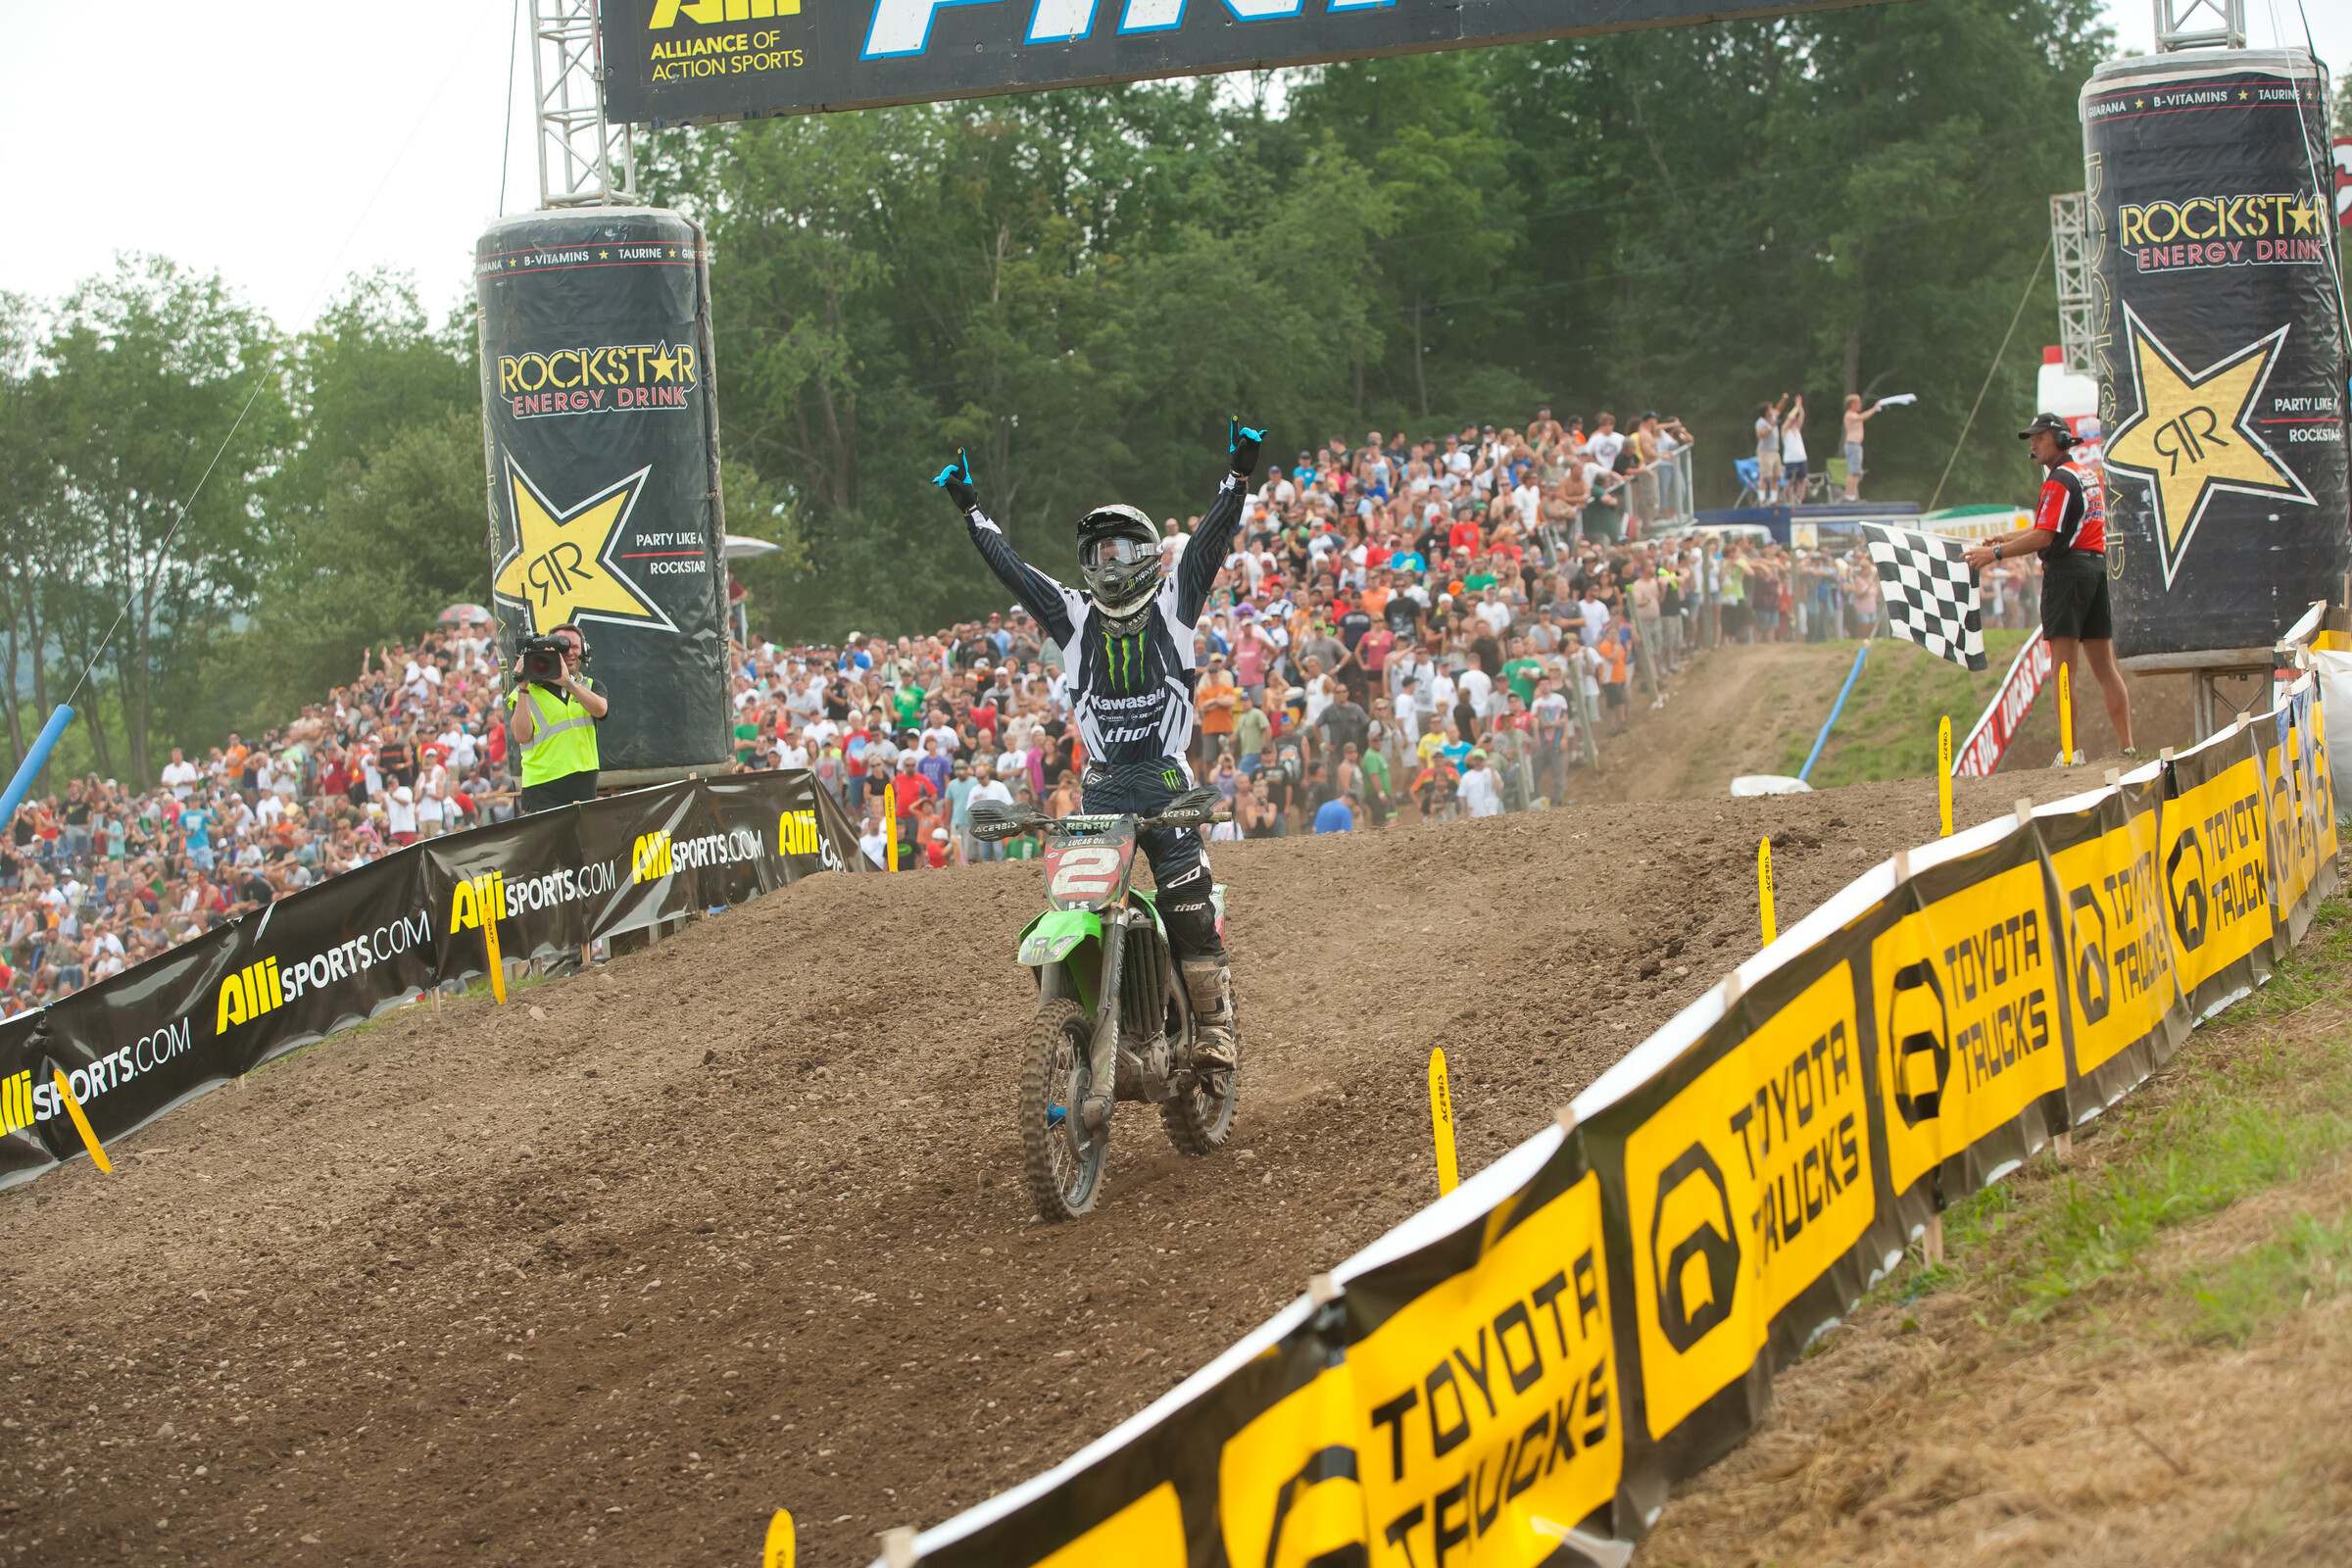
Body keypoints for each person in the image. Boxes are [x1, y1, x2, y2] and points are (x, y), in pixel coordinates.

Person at [935, 417, 1266, 1083]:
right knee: (1078, 904)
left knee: (1188, 902)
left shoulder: (1176, 603)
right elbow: (1015, 573)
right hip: (1104, 787)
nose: (1108, 563)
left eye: (1119, 550)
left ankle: (1218, 1026)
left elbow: (1209, 543)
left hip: (1167, 781)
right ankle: (1093, 1023)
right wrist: (973, 513)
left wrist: (1237, 479)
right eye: (1099, 554)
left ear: (1144, 552)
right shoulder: (1073, 613)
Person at [1965, 414, 2134, 760]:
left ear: (2058, 439)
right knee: (2105, 668)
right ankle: (2127, 746)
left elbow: (2045, 536)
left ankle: (2070, 753)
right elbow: (2051, 527)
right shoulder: (2086, 475)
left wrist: (1995, 552)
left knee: (2062, 668)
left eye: (2039, 437)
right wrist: (2007, 537)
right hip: (2097, 570)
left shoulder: (2057, 481)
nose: (2033, 443)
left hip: (2067, 574)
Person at [505, 623, 608, 813]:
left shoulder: (591, 685)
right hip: (542, 789)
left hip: (584, 785)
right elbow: (521, 736)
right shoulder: (526, 692)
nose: (569, 652)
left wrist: (568, 683)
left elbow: (600, 710)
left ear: (584, 651)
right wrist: (523, 687)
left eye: (574, 647)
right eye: (562, 647)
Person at [1841, 394, 1884, 501]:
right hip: (1853, 445)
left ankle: (1853, 496)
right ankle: (1850, 495)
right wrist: (1874, 409)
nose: (1860, 404)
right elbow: (1861, 417)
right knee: (1853, 472)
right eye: (1858, 403)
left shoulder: (1854, 415)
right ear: (1852, 404)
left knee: (1856, 473)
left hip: (1856, 445)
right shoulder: (1850, 415)